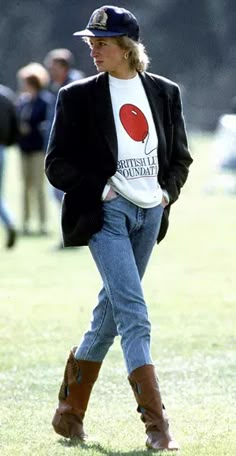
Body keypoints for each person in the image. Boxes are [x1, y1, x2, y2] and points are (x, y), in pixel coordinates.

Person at [45, 5, 193, 451]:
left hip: (151, 214)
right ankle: (157, 427)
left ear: (127, 48)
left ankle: (68, 415)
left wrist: (166, 192)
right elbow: (56, 165)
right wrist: (101, 189)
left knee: (109, 314)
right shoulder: (77, 96)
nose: (93, 49)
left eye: (102, 43)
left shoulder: (165, 93)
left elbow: (181, 158)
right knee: (133, 313)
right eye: (90, 42)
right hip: (106, 216)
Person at [43, 48, 85, 247]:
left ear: (63, 66)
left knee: (67, 194)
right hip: (61, 151)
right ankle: (71, 235)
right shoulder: (57, 86)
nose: (50, 71)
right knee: (60, 194)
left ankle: (73, 236)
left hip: (73, 152)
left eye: (53, 67)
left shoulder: (75, 85)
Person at [17, 63, 50, 235]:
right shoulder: (22, 101)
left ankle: (43, 224)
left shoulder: (45, 101)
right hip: (24, 150)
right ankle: (26, 223)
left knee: (39, 187)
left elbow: (47, 123)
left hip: (38, 150)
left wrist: (34, 128)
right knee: (25, 187)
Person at [0, 84, 18, 248]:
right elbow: (15, 121)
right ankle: (9, 221)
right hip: (2, 148)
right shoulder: (6, 95)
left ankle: (8, 221)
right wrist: (10, 142)